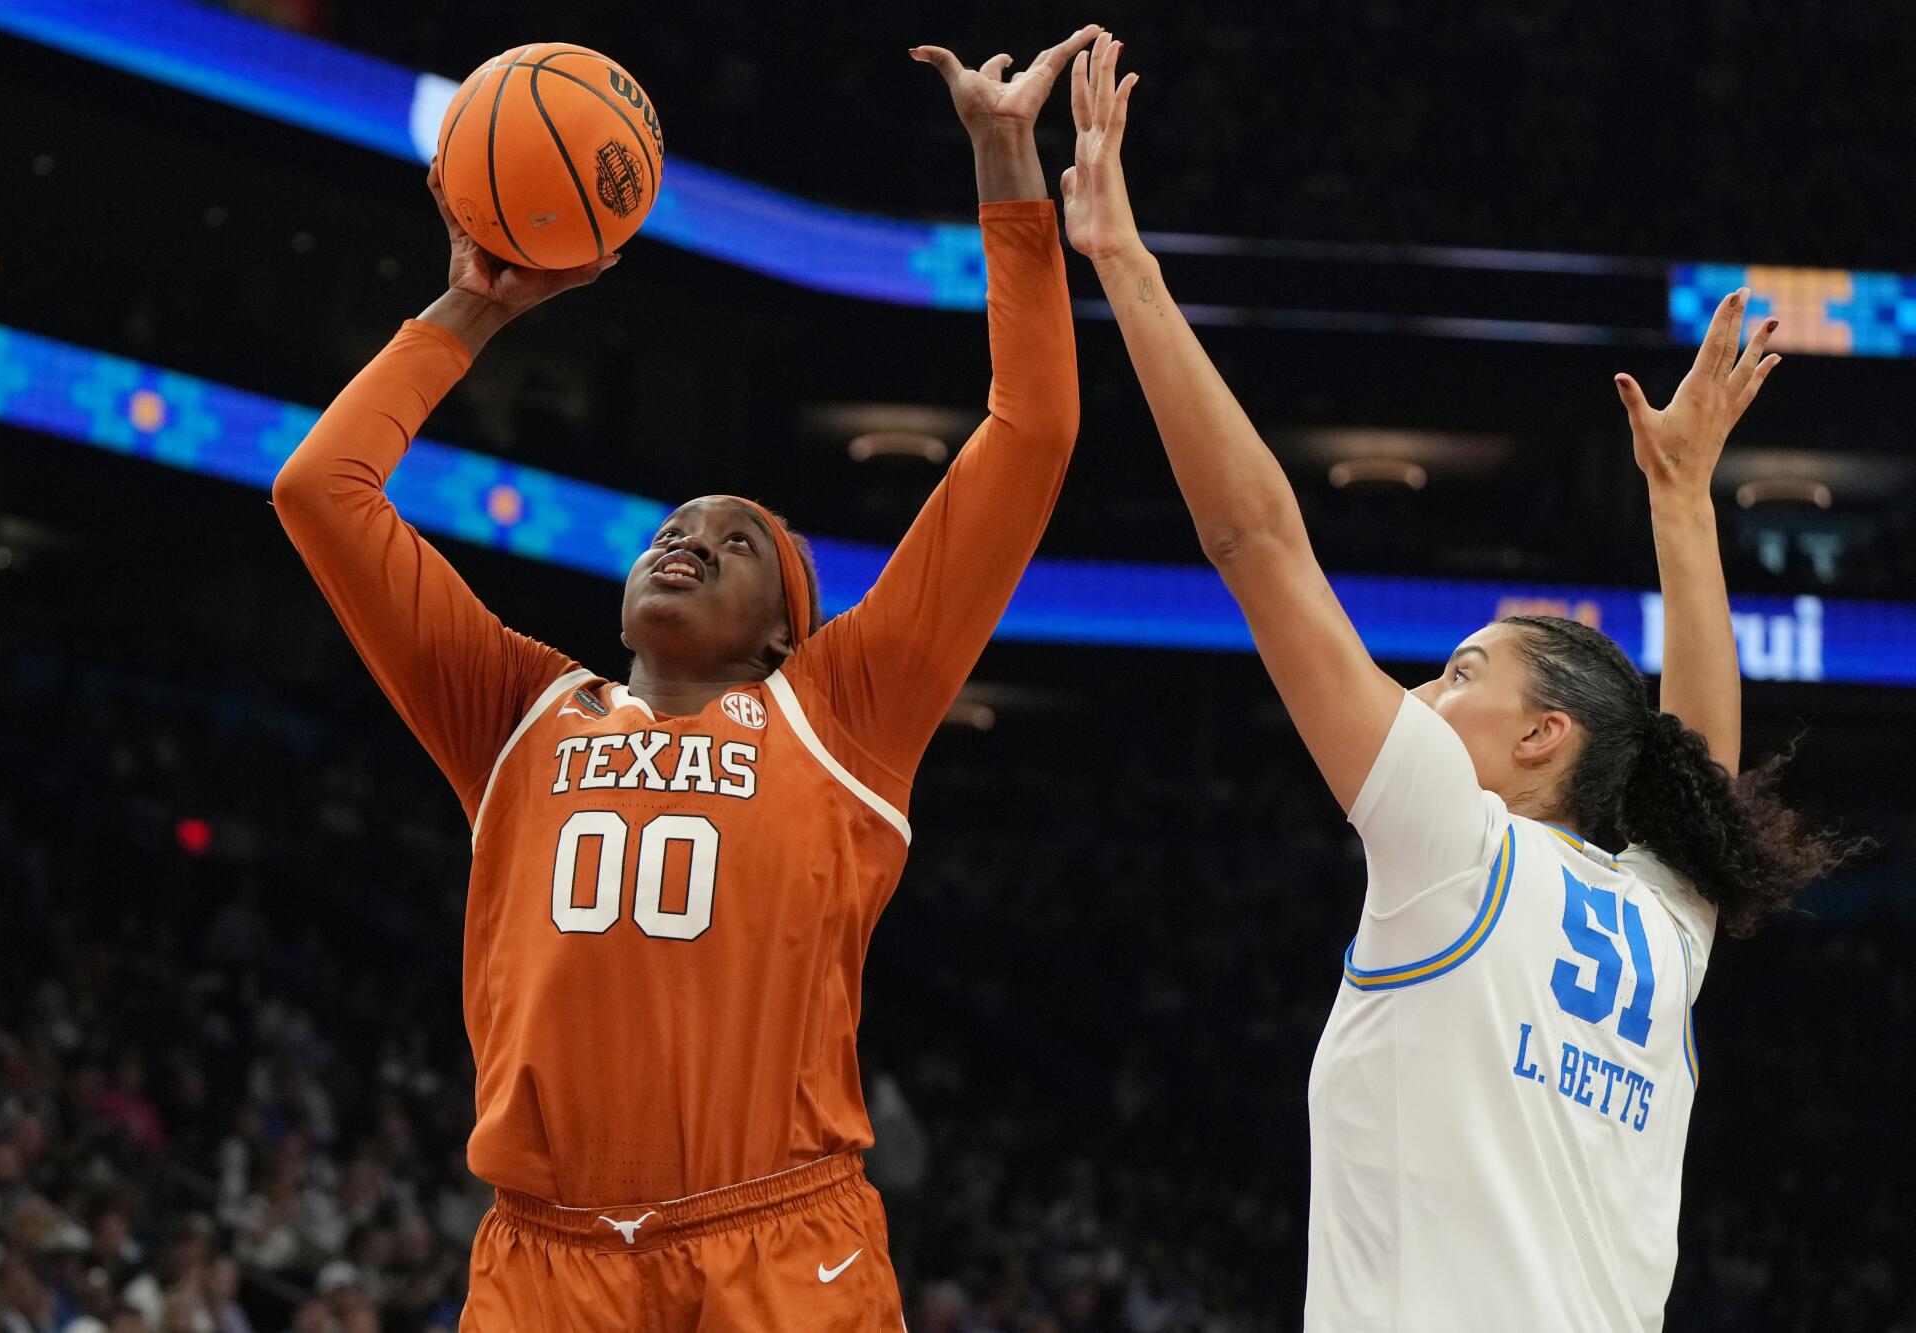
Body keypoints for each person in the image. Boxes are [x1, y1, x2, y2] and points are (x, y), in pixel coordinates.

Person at [272, 24, 1094, 1329]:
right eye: (676, 525)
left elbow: (1033, 430)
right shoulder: (516, 711)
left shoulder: (842, 715)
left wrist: (1006, 169)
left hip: (778, 1248)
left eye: (737, 541)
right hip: (546, 1263)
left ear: (784, 631)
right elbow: (320, 491)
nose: (687, 538)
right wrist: (470, 309)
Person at [1059, 40, 1851, 1331]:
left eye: (1459, 669)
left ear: (1544, 734)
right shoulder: (1658, 922)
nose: (1422, 692)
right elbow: (1701, 753)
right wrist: (1682, 502)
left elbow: (1258, 541)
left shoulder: (1454, 840)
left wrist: (1126, 266)